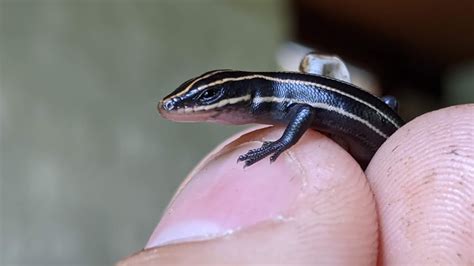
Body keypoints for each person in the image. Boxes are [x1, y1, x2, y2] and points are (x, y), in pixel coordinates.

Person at [119, 104, 473, 265]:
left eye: (204, 101)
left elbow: (303, 113)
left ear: (232, 96)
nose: (191, 110)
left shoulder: (277, 99)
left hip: (389, 138)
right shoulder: (271, 96)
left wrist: (280, 145)